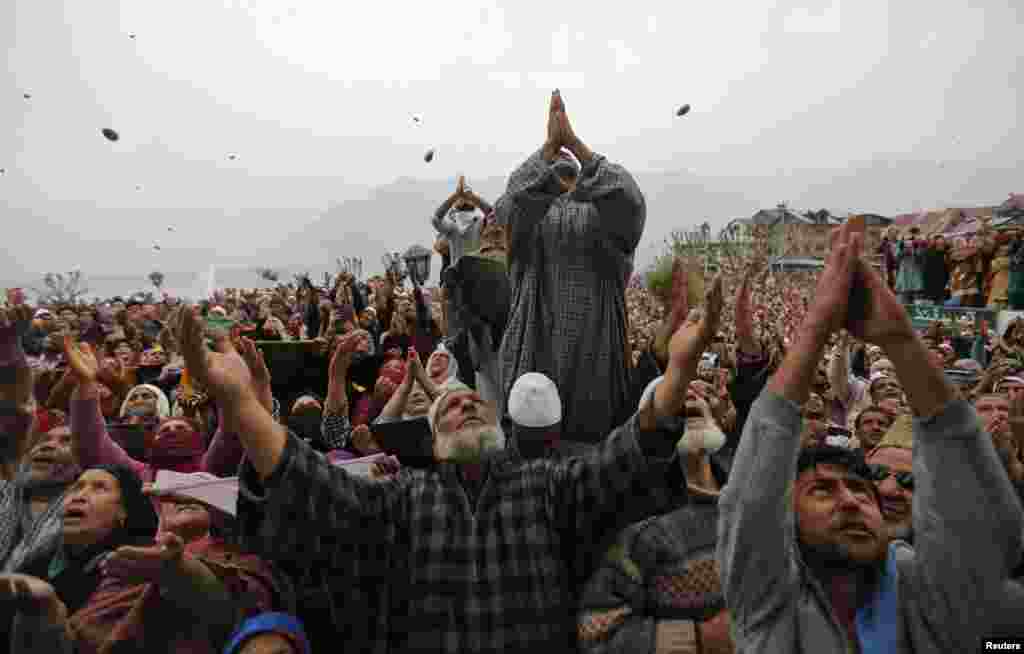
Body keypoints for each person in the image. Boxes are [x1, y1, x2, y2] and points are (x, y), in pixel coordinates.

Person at [176, 276, 722, 652]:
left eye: (473, 401)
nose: (462, 402)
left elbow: (623, 461)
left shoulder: (548, 486)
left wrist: (676, 373)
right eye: (448, 406)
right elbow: (310, 485)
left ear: (500, 428)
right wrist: (241, 402)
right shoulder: (400, 500)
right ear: (434, 441)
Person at [717, 221, 1023, 652]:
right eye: (822, 490)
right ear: (786, 521)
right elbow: (750, 500)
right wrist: (815, 330)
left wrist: (901, 340)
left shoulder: (933, 602)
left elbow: (979, 528)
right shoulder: (770, 605)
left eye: (863, 492)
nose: (851, 501)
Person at [495, 90, 646, 444]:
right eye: (554, 171)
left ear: (588, 180)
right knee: (530, 454)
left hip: (595, 356)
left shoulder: (605, 216)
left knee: (592, 462)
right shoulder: (527, 218)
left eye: (570, 173)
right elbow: (511, 204)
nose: (562, 179)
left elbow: (631, 201)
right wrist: (549, 148)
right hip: (534, 349)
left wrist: (576, 145)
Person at [578, 378, 734, 654]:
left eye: (699, 395)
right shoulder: (634, 525)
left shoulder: (751, 499)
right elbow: (597, 632)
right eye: (674, 405)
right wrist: (698, 639)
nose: (690, 398)